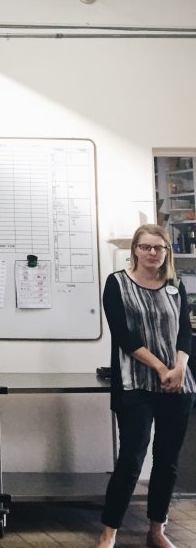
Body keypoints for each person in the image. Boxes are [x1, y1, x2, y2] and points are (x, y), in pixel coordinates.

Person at [96, 224, 195, 548]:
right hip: (135, 384)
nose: (152, 253)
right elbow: (124, 336)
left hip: (176, 385)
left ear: (166, 252)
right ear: (135, 250)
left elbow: (184, 332)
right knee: (132, 458)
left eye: (159, 248)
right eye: (146, 247)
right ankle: (109, 531)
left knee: (167, 460)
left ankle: (157, 529)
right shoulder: (117, 284)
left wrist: (179, 367)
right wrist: (160, 367)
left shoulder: (174, 285)